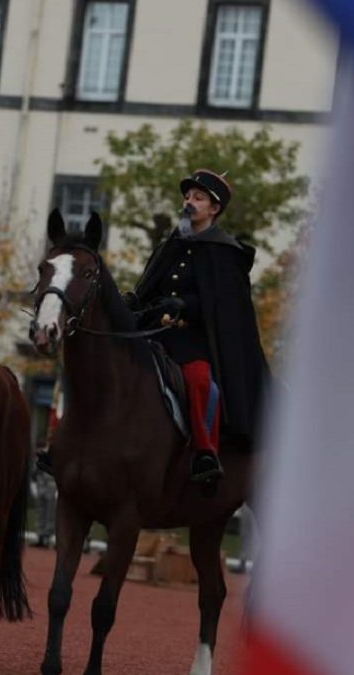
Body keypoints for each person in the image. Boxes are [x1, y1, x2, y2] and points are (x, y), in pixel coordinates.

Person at [125, 170, 271, 482]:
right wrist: (135, 303)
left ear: (214, 208)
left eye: (198, 198)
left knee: (200, 380)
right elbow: (149, 287)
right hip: (154, 335)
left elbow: (228, 309)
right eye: (188, 196)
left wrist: (186, 306)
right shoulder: (170, 245)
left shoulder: (226, 252)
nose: (189, 203)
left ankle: (205, 452)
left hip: (194, 339)